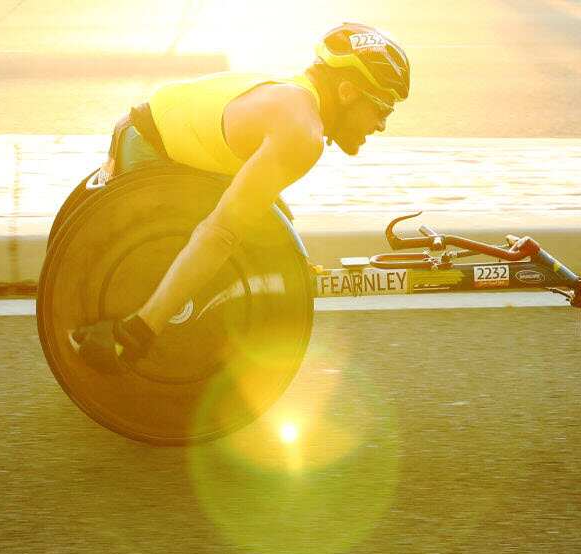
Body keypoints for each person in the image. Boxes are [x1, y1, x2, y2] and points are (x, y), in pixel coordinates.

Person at [69, 23, 410, 373]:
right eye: (383, 109)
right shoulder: (303, 130)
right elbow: (219, 233)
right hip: (148, 156)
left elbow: (254, 187)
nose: (381, 125)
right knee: (226, 240)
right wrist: (140, 331)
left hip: (140, 136)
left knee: (259, 225)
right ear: (348, 92)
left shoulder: (291, 93)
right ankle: (136, 330)